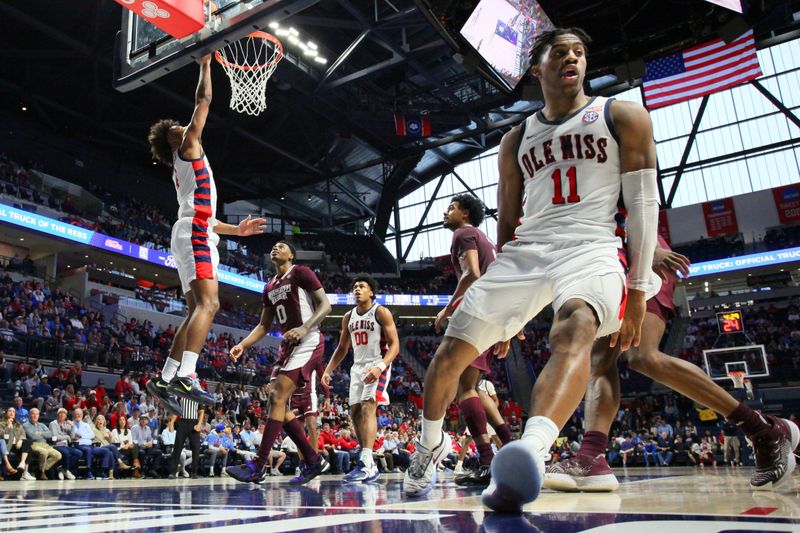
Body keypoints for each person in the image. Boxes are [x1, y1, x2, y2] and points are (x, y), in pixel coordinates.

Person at [405, 27, 660, 511]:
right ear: (536, 68)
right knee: (449, 354)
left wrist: (641, 289)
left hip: (591, 244)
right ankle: (429, 444)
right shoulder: (515, 138)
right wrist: (508, 306)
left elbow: (644, 201)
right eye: (560, 52)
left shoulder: (621, 114)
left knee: (577, 326)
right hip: (527, 250)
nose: (573, 58)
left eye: (580, 52)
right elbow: (506, 221)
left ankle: (530, 450)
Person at [545, 237, 798, 492]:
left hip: (641, 259)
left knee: (643, 357)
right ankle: (592, 454)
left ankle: (762, 429)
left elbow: (638, 200)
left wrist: (650, 249)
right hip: (605, 264)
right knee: (599, 359)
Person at [145, 54, 266, 414]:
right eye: (176, 129)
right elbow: (204, 100)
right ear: (173, 141)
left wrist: (236, 230)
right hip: (194, 231)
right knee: (210, 304)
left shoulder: (184, 170)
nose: (183, 127)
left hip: (192, 227)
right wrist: (204, 64)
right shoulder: (187, 145)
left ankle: (166, 376)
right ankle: (187, 374)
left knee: (197, 308)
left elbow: (205, 215)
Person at [226, 241, 331, 485]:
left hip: (309, 338)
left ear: (291, 254)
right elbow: (264, 325)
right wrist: (243, 345)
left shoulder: (301, 272)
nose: (275, 248)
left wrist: (304, 327)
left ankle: (259, 465)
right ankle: (314, 460)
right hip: (287, 346)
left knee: (277, 397)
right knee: (279, 407)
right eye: (272, 246)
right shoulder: (269, 286)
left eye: (281, 246)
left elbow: (326, 305)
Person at [434, 194, 515, 488]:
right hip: (492, 314)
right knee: (475, 388)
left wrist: (448, 308)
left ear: (465, 213)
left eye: (452, 207)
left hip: (476, 312)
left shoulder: (464, 233)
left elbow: (471, 274)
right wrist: (507, 325)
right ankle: (511, 446)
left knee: (465, 388)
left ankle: (486, 461)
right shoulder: (482, 238)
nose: (446, 211)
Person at [322, 275, 400, 483]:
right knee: (354, 412)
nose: (357, 289)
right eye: (355, 287)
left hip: (377, 363)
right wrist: (328, 370)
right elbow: (342, 348)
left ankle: (366, 461)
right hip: (357, 367)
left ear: (371, 292)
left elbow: (395, 345)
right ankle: (369, 462)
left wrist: (380, 367)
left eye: (362, 286)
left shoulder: (381, 312)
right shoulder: (348, 317)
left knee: (368, 406)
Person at [168, 396, 205, 478]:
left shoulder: (197, 396)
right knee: (177, 447)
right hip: (182, 422)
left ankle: (194, 472)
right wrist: (172, 423)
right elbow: (176, 411)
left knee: (196, 448)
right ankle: (173, 472)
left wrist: (199, 424)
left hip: (194, 422)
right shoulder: (180, 396)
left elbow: (202, 412)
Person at [22, 407, 62, 480]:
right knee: (44, 452)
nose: (35, 415)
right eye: (33, 414)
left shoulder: (42, 425)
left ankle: (38, 469)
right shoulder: (26, 425)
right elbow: (32, 436)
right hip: (34, 444)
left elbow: (50, 434)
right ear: (29, 415)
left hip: (45, 444)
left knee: (58, 455)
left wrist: (40, 433)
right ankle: (42, 473)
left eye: (37, 414)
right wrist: (43, 434)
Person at [49, 408, 79, 480]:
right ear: (57, 415)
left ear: (66, 416)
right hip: (56, 445)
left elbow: (71, 437)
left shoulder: (67, 424)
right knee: (66, 452)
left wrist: (72, 426)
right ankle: (66, 470)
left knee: (79, 453)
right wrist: (66, 437)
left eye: (64, 413)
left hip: (65, 446)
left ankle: (63, 469)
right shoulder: (53, 423)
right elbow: (55, 436)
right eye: (60, 413)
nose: (62, 415)